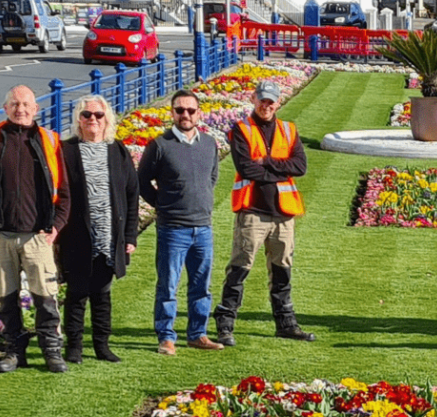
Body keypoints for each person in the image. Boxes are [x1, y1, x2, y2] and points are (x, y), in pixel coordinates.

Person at [0, 84, 72, 373]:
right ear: (5, 108)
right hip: (0, 233)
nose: (20, 109)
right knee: (6, 297)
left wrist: (57, 225)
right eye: (14, 104)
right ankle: (14, 352)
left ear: (36, 109)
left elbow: (63, 189)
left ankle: (51, 351)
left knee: (45, 297)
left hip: (37, 234)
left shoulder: (49, 140)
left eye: (26, 104)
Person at [212, 80, 315, 345]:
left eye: (270, 101)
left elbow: (301, 166)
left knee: (282, 270)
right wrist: (280, 168)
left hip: (283, 213)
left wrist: (266, 161)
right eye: (262, 100)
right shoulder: (241, 129)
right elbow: (247, 169)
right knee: (239, 267)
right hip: (252, 211)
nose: (266, 105)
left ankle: (286, 324)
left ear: (278, 102)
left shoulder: (288, 130)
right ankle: (225, 324)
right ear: (254, 99)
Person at [138, 89, 226, 355]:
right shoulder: (159, 145)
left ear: (199, 113)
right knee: (168, 284)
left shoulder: (209, 143)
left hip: (203, 227)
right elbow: (142, 182)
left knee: (201, 285)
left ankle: (197, 334)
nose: (185, 115)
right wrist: (164, 206)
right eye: (179, 110)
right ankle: (166, 336)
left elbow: (211, 178)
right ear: (172, 113)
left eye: (190, 110)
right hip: (172, 228)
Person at [56, 94, 139, 364]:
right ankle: (74, 347)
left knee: (102, 294)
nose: (93, 120)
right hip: (77, 235)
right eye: (87, 115)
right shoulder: (66, 150)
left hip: (109, 235)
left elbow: (131, 195)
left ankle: (102, 346)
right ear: (79, 120)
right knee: (77, 293)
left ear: (107, 120)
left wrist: (129, 236)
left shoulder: (117, 150)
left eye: (98, 115)